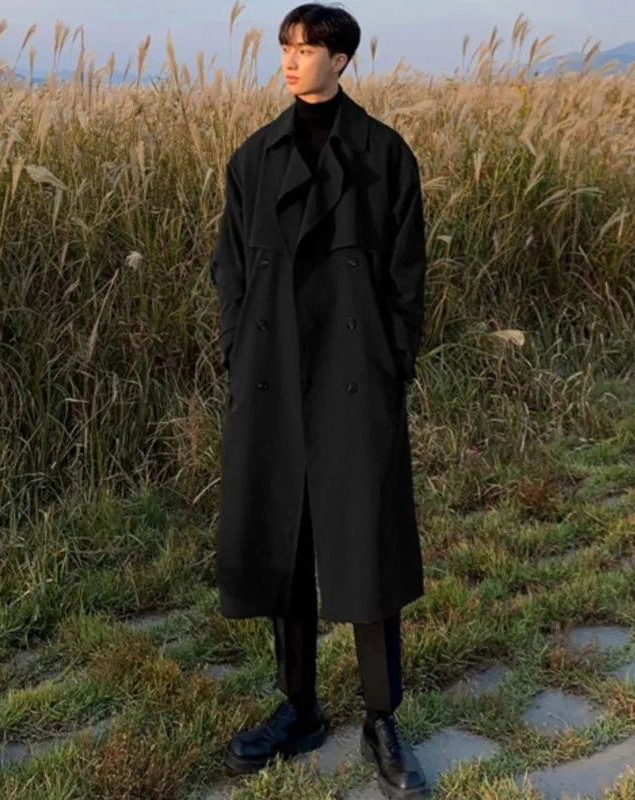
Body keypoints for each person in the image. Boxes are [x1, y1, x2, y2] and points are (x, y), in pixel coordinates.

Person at [209, 3, 428, 797]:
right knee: (284, 538)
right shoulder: (253, 158)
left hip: (353, 377)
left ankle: (381, 718)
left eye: (307, 48)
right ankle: (297, 707)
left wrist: (389, 361)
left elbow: (408, 274)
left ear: (341, 60)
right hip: (271, 376)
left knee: (365, 543)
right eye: (285, 47)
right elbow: (230, 269)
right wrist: (239, 350)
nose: (290, 60)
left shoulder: (384, 154)